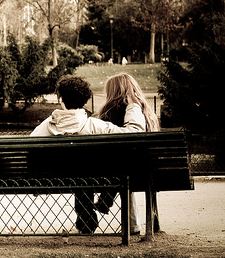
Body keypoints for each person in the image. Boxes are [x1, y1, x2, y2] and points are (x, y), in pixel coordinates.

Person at [30, 74, 147, 234]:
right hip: (91, 179)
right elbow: (133, 133)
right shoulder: (96, 126)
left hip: (54, 180)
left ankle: (86, 223)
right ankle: (90, 221)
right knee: (87, 169)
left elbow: (30, 150)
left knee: (79, 171)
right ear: (85, 100)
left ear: (61, 100)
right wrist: (133, 106)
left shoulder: (44, 127)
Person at [93, 72, 160, 235]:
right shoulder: (146, 111)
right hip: (148, 170)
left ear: (113, 92)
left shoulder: (112, 111)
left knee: (121, 169)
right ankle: (133, 225)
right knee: (124, 169)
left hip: (123, 170)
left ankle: (105, 200)